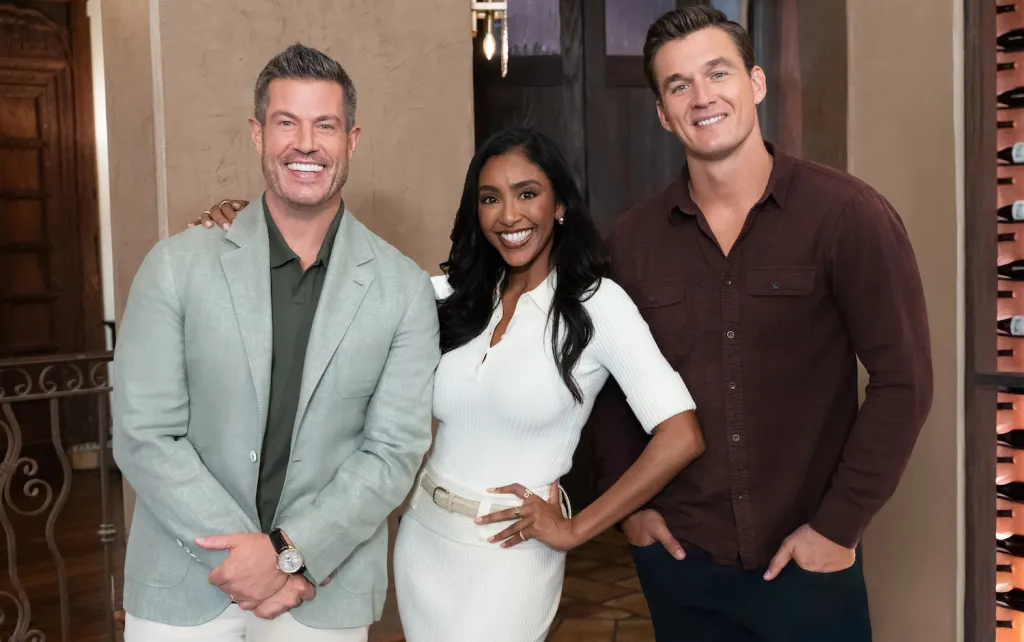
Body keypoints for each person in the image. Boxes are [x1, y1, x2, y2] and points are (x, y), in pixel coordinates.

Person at [190, 127, 705, 642]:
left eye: (527, 193)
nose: (509, 216)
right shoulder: (448, 296)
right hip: (425, 539)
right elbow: (338, 278)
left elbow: (681, 434)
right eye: (490, 199)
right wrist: (263, 226)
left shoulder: (598, 305)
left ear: (560, 205)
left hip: (512, 553)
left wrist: (576, 529)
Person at [590, 5, 934, 641]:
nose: (702, 97)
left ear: (756, 82)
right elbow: (607, 384)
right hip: (681, 563)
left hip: (809, 561)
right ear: (662, 113)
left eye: (717, 73)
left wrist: (838, 526)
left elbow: (904, 381)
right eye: (679, 85)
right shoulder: (632, 242)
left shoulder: (848, 215)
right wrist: (631, 505)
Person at [112, 43, 440, 641]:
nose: (306, 144)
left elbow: (393, 451)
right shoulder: (176, 266)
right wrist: (246, 559)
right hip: (182, 584)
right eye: (287, 123)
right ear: (258, 133)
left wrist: (290, 553)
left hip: (321, 587)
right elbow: (144, 433)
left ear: (352, 140)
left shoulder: (403, 289)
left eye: (326, 125)